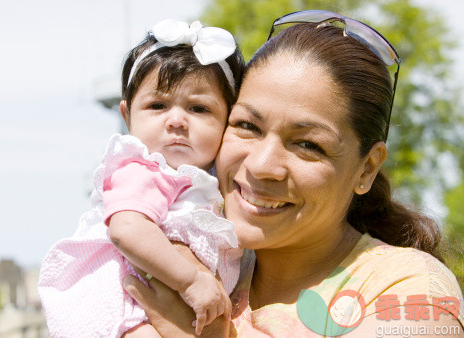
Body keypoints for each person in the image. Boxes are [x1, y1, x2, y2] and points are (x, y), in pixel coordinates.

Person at [122, 10, 464, 337]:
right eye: (247, 125)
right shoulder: (187, 261)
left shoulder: (407, 290)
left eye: (308, 145)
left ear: (367, 168)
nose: (261, 166)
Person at [38, 19, 245, 337]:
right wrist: (190, 280)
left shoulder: (208, 185)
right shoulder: (143, 169)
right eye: (158, 105)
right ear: (127, 115)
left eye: (199, 108)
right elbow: (127, 228)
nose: (177, 120)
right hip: (121, 304)